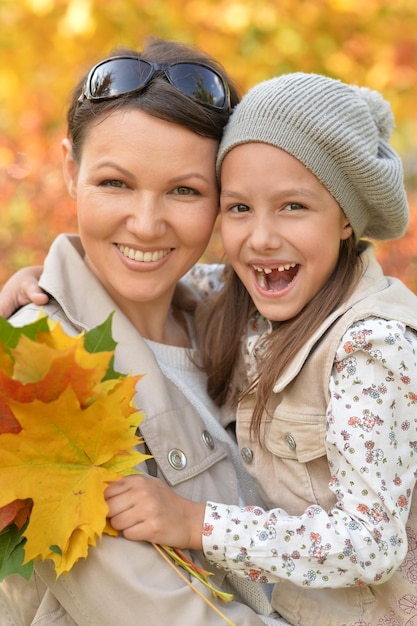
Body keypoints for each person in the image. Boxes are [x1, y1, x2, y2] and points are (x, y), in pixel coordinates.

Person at [21, 72, 414, 626]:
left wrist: (195, 522)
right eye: (238, 208)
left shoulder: (364, 343)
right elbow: (153, 273)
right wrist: (40, 279)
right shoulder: (240, 300)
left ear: (347, 216)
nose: (260, 238)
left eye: (294, 206)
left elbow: (370, 541)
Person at [0, 37, 288, 626]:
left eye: (184, 190)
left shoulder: (231, 318)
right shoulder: (34, 373)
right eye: (115, 184)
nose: (147, 223)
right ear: (69, 171)